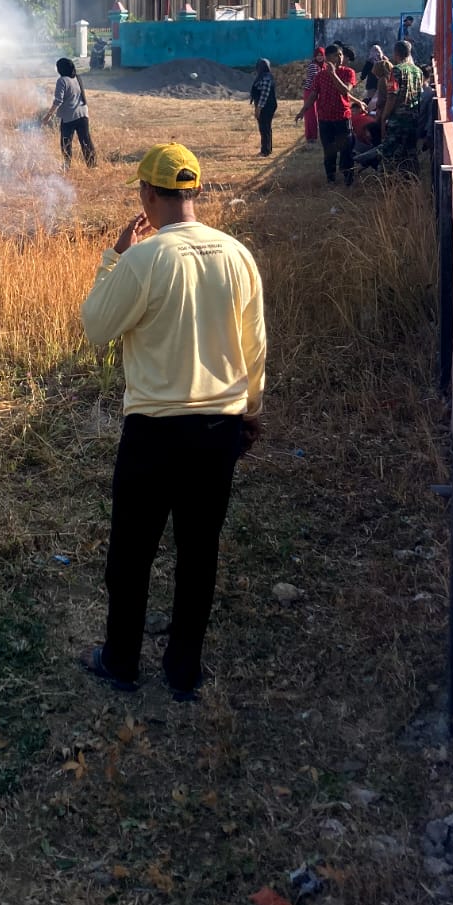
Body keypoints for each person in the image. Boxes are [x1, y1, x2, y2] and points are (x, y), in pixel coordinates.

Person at [78, 143, 265, 699]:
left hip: (155, 431)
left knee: (132, 553)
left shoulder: (145, 258)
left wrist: (114, 257)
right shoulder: (237, 255)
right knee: (199, 551)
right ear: (196, 192)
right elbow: (254, 348)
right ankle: (184, 671)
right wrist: (251, 411)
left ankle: (121, 661)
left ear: (146, 194)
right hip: (218, 429)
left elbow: (95, 325)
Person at [298, 45, 359, 184]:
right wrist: (303, 110)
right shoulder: (320, 75)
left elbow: (345, 91)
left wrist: (333, 74)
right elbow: (313, 94)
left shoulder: (348, 72)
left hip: (342, 117)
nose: (340, 57)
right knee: (329, 151)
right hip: (325, 119)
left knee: (346, 150)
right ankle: (330, 178)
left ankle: (348, 179)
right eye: (336, 55)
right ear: (328, 58)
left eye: (341, 55)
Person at [378, 38, 425, 167]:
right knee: (410, 152)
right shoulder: (418, 71)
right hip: (414, 117)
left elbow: (392, 95)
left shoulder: (396, 70)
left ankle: (390, 180)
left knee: (390, 153)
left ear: (396, 53)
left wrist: (384, 116)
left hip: (398, 119)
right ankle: (411, 179)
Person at [42, 57, 97, 167]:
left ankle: (66, 165)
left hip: (69, 117)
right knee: (86, 141)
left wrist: (48, 115)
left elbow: (58, 100)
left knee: (66, 143)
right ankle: (92, 166)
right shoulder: (77, 77)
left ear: (61, 69)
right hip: (83, 114)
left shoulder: (62, 80)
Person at [249, 58, 277, 156]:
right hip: (264, 106)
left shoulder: (266, 78)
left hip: (266, 106)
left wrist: (259, 108)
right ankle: (267, 149)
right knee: (265, 128)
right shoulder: (262, 77)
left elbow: (264, 95)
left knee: (265, 128)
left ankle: (265, 151)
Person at [301, 48, 324, 143]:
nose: (319, 57)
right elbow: (316, 78)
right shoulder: (313, 66)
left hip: (319, 91)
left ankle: (315, 135)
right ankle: (311, 137)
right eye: (318, 55)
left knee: (319, 113)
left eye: (321, 55)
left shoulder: (323, 65)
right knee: (311, 114)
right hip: (311, 91)